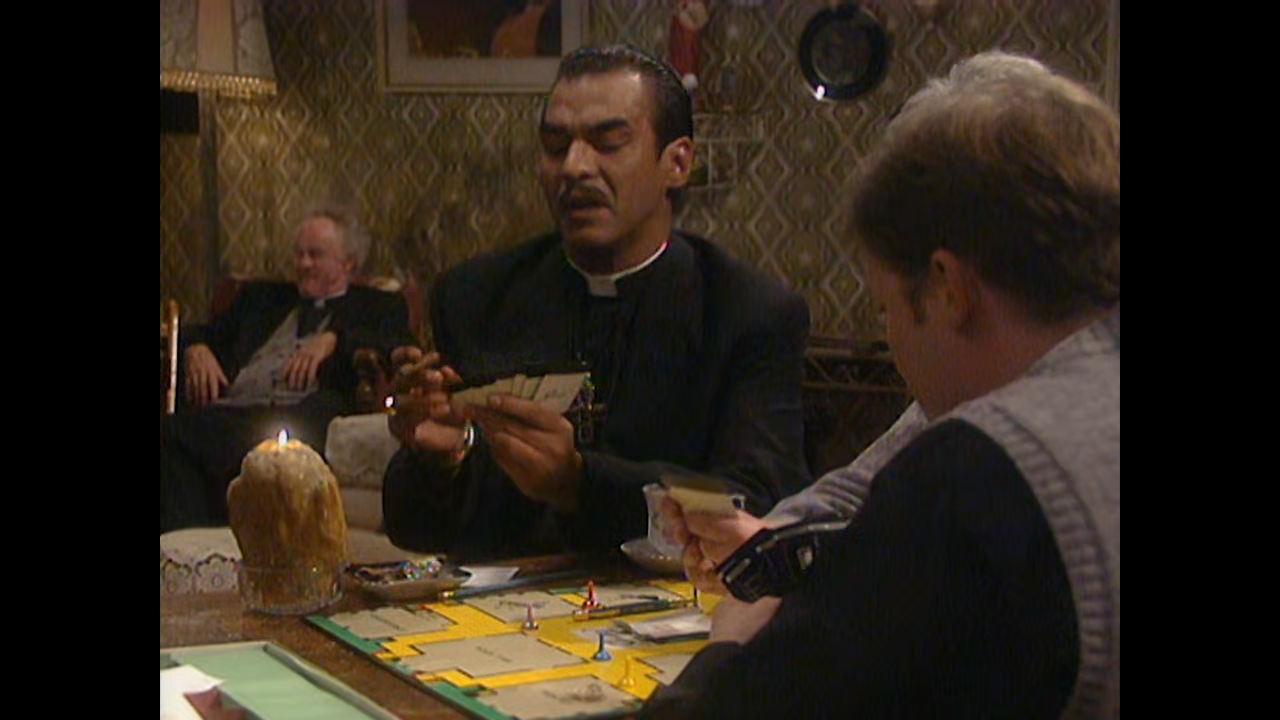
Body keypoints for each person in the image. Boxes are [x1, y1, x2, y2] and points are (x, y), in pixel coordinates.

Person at [646, 51, 1120, 718]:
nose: (892, 341)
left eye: (886, 307)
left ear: (948, 288)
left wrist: (732, 643)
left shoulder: (980, 469)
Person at [382, 45, 811, 558]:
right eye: (555, 145)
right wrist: (438, 461)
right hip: (495, 602)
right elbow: (417, 532)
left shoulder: (748, 312)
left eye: (608, 142)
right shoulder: (476, 297)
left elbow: (756, 505)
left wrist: (580, 484)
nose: (574, 167)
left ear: (677, 162)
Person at [160, 207, 417, 532]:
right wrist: (195, 348)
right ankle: (185, 547)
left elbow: (396, 343)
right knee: (173, 433)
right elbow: (202, 331)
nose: (303, 264)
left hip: (302, 415)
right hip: (232, 408)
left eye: (315, 255)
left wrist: (336, 339)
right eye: (299, 254)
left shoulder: (377, 305)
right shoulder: (261, 299)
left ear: (348, 263)